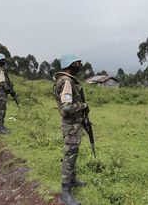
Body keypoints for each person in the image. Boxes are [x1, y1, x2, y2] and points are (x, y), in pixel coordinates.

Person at [54, 54, 89, 205]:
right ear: (69, 65)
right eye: (77, 63)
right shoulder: (67, 82)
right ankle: (65, 192)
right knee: (69, 155)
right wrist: (83, 106)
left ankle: (72, 179)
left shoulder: (66, 81)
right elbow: (67, 109)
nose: (80, 65)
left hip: (74, 124)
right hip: (71, 125)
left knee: (73, 153)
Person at [0, 53, 15, 134]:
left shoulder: (0, 69)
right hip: (0, 91)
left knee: (3, 109)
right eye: (2, 60)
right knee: (1, 109)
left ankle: (2, 126)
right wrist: (10, 90)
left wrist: (10, 89)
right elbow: (3, 82)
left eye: (4, 60)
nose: (4, 62)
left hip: (2, 91)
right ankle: (0, 128)